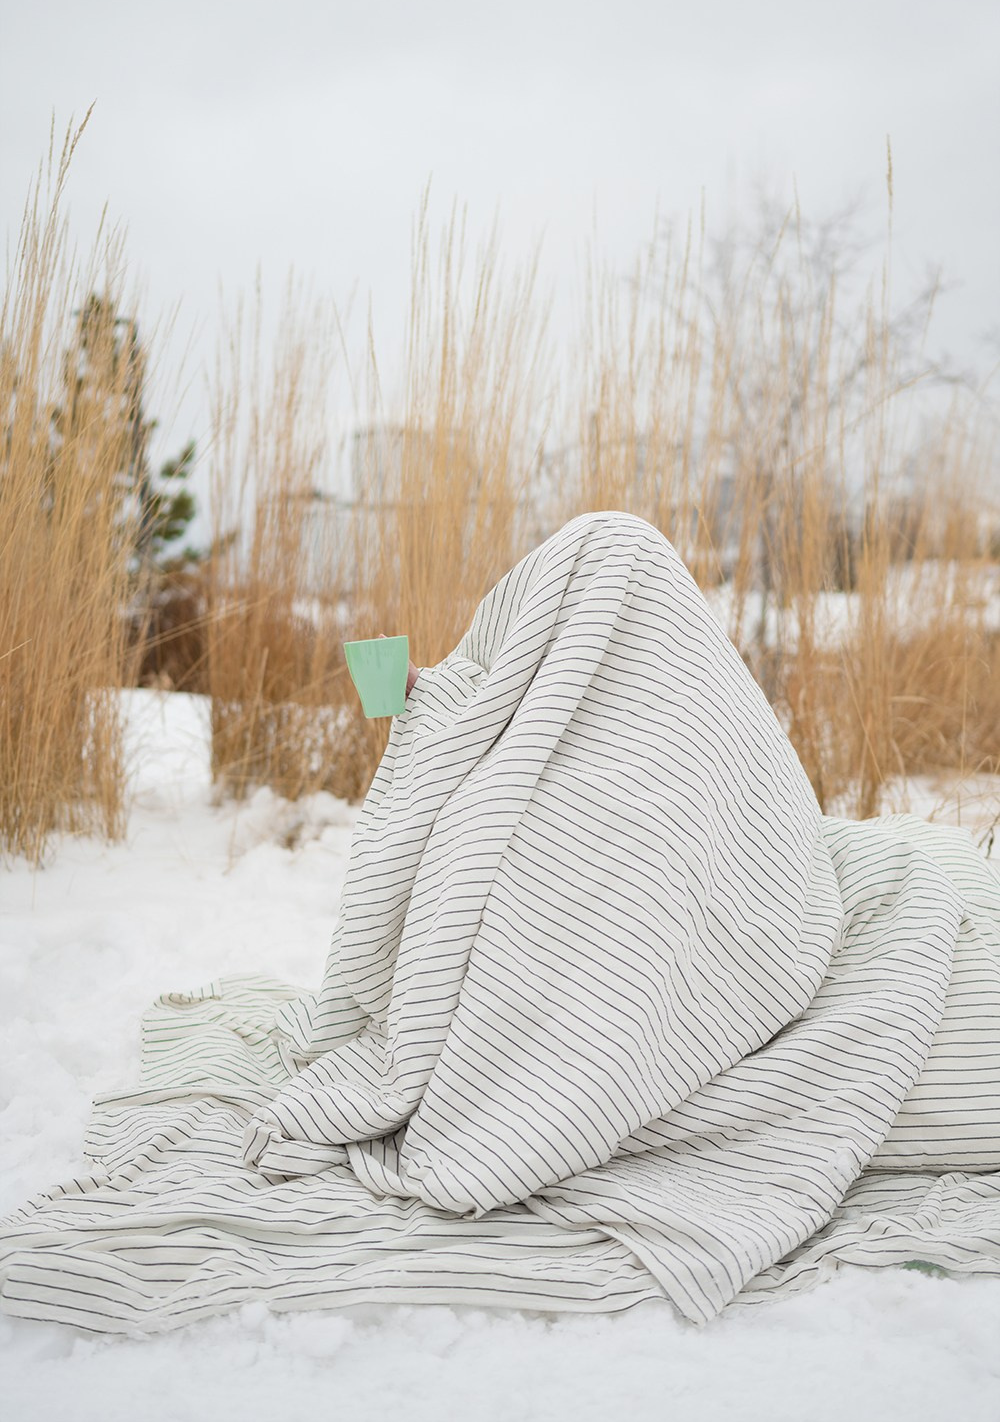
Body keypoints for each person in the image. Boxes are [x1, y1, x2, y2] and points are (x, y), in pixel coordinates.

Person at [2, 509, 999, 1335]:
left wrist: (432, 719)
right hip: (857, 886)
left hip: (860, 906)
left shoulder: (634, 768)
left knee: (900, 879)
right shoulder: (607, 762)